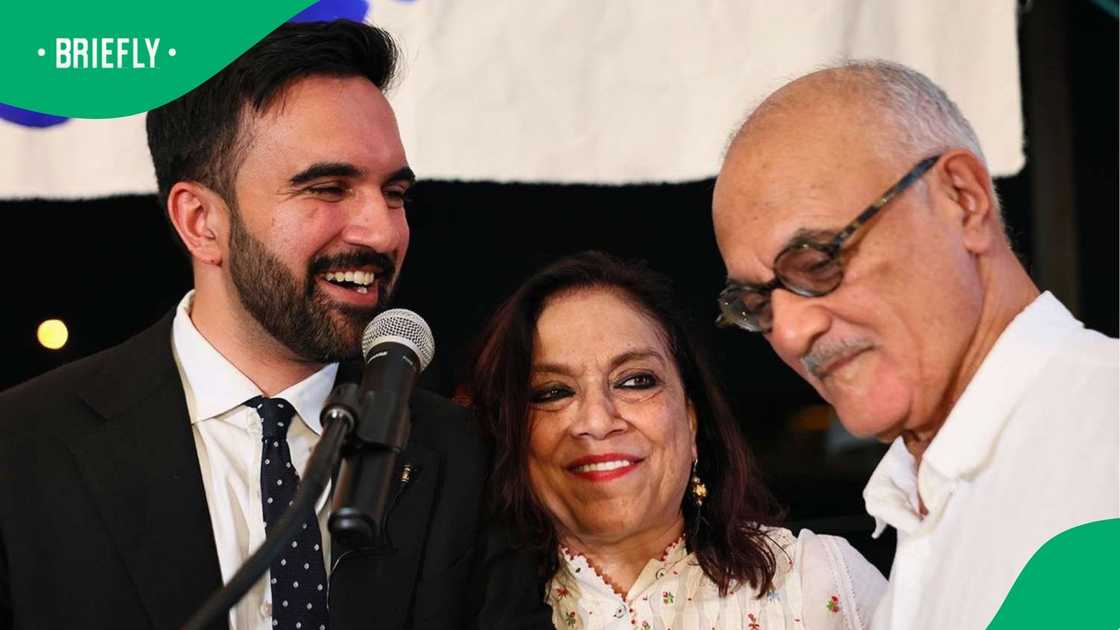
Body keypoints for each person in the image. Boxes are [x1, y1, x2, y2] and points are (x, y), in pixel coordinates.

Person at [0, 21, 548, 630]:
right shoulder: (22, 449)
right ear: (201, 221)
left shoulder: (467, 458)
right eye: (328, 188)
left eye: (394, 193)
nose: (384, 231)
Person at [711, 60, 1119, 629]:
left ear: (962, 199)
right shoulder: (916, 511)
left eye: (818, 263)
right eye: (759, 303)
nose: (792, 332)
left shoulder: (1104, 432)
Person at [469, 251, 887, 629]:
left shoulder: (818, 583)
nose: (596, 421)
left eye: (635, 381)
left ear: (690, 417)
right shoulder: (461, 606)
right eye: (553, 392)